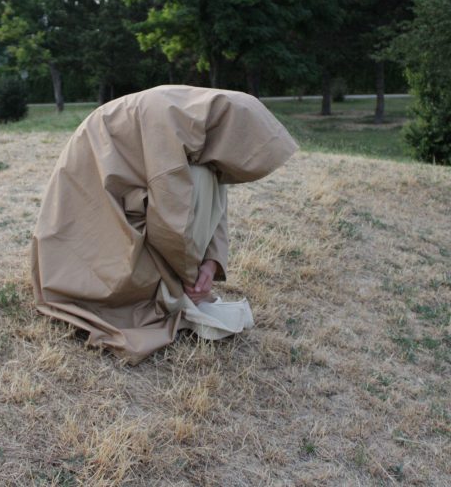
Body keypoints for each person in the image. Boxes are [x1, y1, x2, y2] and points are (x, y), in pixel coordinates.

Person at [31, 85, 298, 363]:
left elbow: (215, 195)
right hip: (95, 212)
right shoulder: (171, 128)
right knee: (199, 178)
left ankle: (174, 285)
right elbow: (172, 226)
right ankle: (163, 290)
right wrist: (191, 278)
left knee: (205, 175)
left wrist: (212, 262)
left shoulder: (198, 122)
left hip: (120, 193)